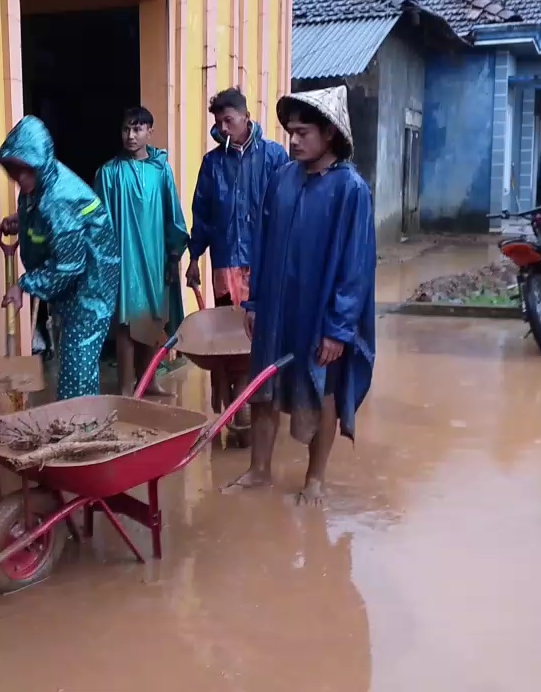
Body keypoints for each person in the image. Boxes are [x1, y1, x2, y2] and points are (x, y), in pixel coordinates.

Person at [227, 86, 376, 506]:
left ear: (329, 134)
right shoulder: (283, 180)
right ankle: (259, 469)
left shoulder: (352, 191)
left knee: (321, 389)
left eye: (303, 132)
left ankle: (315, 479)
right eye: (290, 131)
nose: (292, 140)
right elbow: (262, 243)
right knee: (264, 386)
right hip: (276, 308)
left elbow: (356, 267)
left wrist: (339, 329)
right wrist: (254, 302)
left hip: (320, 314)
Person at [187, 87, 290, 445]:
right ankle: (232, 408)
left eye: (229, 121)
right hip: (225, 263)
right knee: (226, 343)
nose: (223, 128)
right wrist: (194, 258)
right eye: (218, 123)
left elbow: (288, 210)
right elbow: (201, 214)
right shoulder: (213, 163)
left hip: (262, 265)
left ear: (246, 118)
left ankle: (250, 412)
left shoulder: (275, 157)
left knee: (256, 340)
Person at [0, 115, 120, 400]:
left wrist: (24, 285)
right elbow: (48, 223)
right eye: (14, 172)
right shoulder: (39, 187)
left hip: (91, 287)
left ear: (41, 164)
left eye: (26, 171)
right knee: (78, 362)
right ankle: (87, 428)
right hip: (72, 288)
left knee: (77, 369)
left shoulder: (58, 198)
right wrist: (22, 222)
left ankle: (75, 432)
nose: (20, 179)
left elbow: (69, 265)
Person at [94, 106, 189, 395]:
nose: (131, 135)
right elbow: (98, 222)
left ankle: (149, 381)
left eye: (137, 129)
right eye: (126, 129)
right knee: (126, 320)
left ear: (150, 132)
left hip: (156, 256)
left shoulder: (161, 171)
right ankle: (126, 385)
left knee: (153, 317)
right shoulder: (109, 173)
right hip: (124, 258)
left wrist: (174, 256)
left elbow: (173, 214)